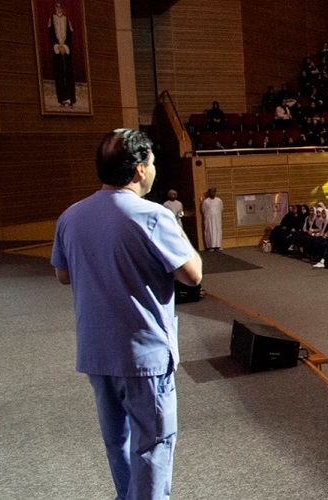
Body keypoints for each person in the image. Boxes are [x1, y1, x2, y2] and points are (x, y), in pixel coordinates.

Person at [51, 129, 202, 500]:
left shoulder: (71, 216)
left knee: (115, 441)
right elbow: (192, 274)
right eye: (152, 162)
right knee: (152, 445)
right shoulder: (153, 216)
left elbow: (62, 274)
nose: (154, 170)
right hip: (143, 354)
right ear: (138, 169)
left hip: (96, 351)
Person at [47, 0, 77, 107]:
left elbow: (69, 35)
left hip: (66, 49)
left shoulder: (66, 20)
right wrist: (58, 46)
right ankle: (62, 98)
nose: (59, 9)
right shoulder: (52, 19)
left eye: (60, 7)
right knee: (59, 73)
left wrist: (65, 46)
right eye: (57, 7)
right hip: (57, 49)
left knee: (68, 73)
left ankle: (70, 98)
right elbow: (51, 35)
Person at [201, 187, 223, 251]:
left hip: (217, 219)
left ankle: (218, 246)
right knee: (210, 231)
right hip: (209, 219)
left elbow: (221, 208)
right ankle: (210, 246)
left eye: (214, 192)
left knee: (218, 231)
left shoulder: (219, 200)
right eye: (211, 192)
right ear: (208, 193)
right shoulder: (206, 201)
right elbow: (203, 210)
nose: (212, 193)